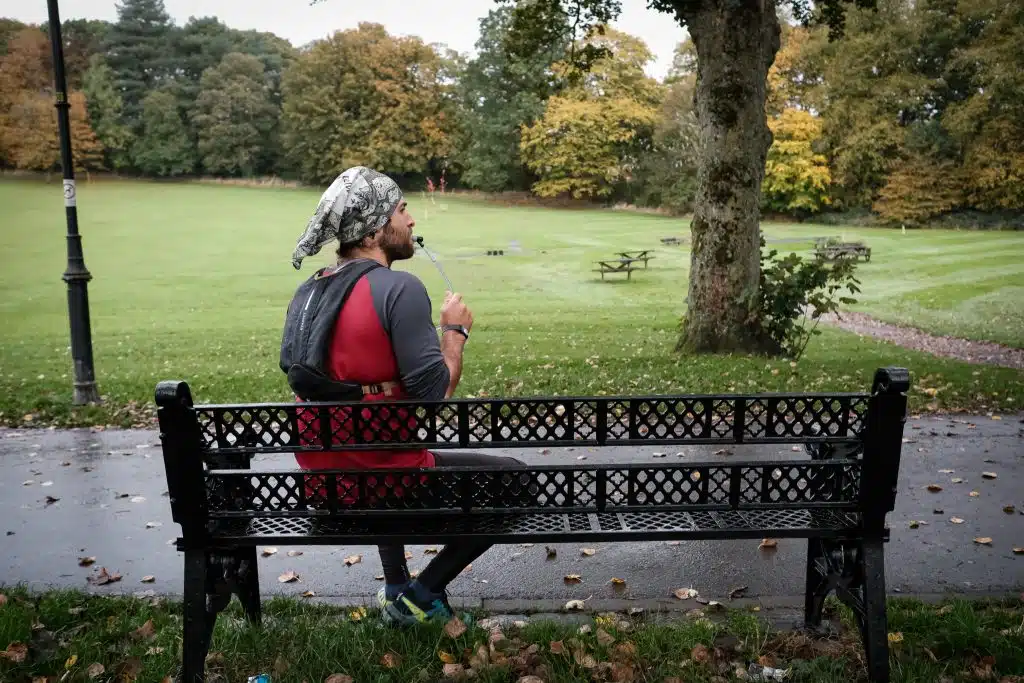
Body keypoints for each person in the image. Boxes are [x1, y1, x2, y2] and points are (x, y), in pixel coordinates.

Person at [288, 165, 523, 625]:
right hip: (386, 478)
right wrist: (454, 332)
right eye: (401, 210)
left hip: (327, 482)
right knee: (515, 481)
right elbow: (435, 394)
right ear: (376, 229)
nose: (411, 221)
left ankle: (396, 585)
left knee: (377, 451)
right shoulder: (400, 288)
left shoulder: (311, 290)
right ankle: (420, 596)